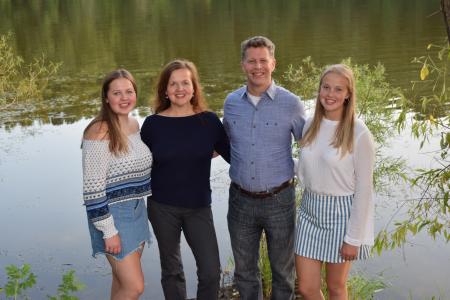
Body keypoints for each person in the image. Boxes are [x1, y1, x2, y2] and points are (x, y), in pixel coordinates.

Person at [223, 36, 306, 300]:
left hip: (279, 200)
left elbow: (310, 147)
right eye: (251, 61)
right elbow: (224, 145)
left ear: (273, 63)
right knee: (245, 272)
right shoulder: (231, 103)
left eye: (263, 61)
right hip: (240, 201)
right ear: (242, 65)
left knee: (283, 271)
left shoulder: (291, 103)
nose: (257, 67)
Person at [140, 59, 230, 300]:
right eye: (173, 84)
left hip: (198, 207)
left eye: (185, 83)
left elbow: (234, 154)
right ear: (165, 90)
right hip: (162, 208)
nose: (180, 89)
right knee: (172, 271)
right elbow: (137, 164)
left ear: (194, 88)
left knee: (211, 272)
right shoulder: (152, 125)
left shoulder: (209, 121)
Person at [294, 64, 375, 300]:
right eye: (326, 87)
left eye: (338, 89)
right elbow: (309, 169)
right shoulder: (311, 124)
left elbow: (364, 189)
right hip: (309, 210)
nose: (330, 94)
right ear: (319, 90)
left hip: (341, 215)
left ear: (348, 94)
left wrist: (353, 238)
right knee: (307, 288)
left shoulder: (359, 133)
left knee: (336, 286)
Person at [81, 69, 152, 300]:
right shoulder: (99, 130)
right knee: (134, 287)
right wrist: (109, 231)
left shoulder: (134, 124)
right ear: (106, 98)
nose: (124, 98)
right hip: (112, 216)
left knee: (121, 283)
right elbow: (93, 191)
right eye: (117, 93)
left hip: (137, 210)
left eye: (129, 91)